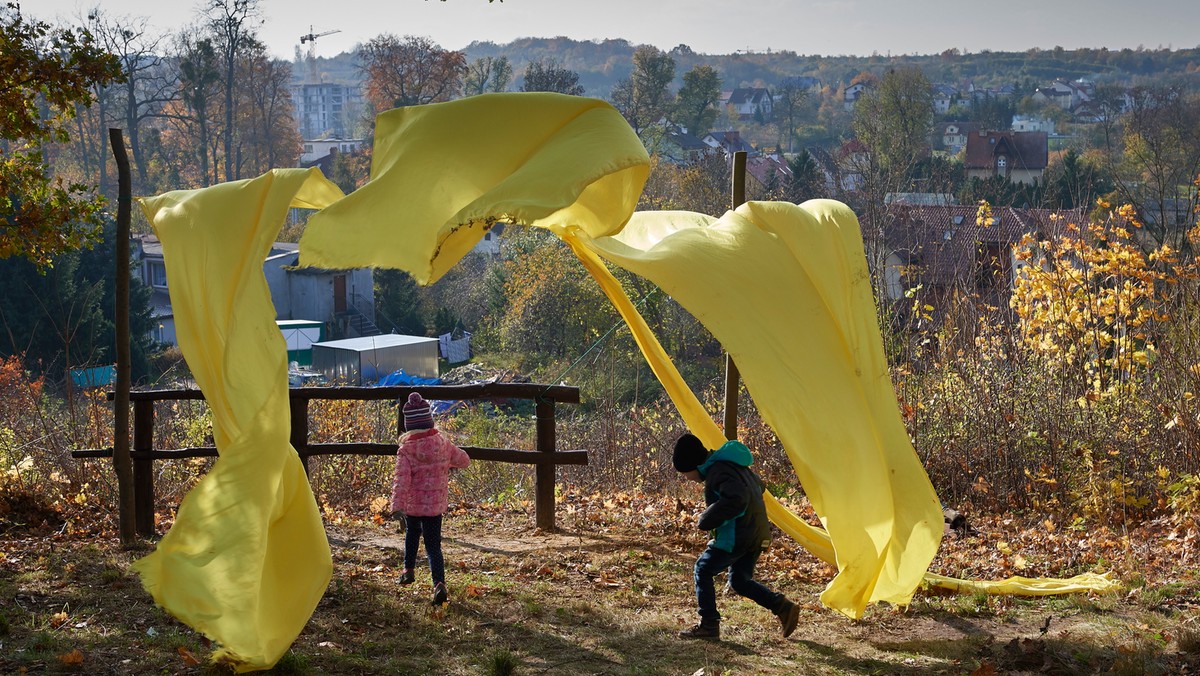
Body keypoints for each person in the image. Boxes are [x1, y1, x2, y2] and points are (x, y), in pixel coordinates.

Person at [673, 433, 800, 640]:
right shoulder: (733, 466)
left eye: (685, 472)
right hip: (756, 534)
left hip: (737, 536)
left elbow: (737, 499)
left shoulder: (718, 471)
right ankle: (782, 606)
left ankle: (709, 625)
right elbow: (759, 486)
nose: (686, 477)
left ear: (693, 464)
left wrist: (707, 518)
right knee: (740, 581)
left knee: (702, 569)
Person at [391, 392, 471, 606]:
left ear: (409, 426)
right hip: (435, 507)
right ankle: (439, 584)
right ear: (429, 420)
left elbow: (401, 480)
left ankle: (408, 570)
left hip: (413, 507)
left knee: (412, 534)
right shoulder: (443, 444)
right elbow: (464, 460)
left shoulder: (406, 450)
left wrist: (397, 506)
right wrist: (447, 463)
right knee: (434, 546)